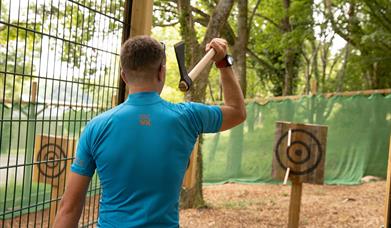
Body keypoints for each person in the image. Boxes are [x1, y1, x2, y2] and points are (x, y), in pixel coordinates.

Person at [53, 36, 246, 228]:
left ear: (124, 76)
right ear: (161, 72)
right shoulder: (188, 117)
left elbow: (69, 207)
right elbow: (237, 112)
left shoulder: (96, 127)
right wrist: (222, 62)